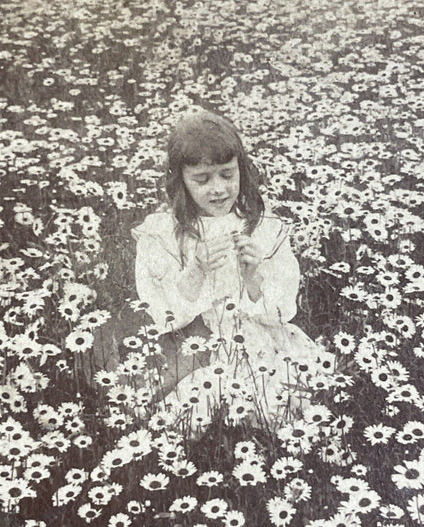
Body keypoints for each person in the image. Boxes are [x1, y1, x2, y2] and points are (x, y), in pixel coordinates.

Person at [132, 108, 330, 430]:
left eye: (227, 174)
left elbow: (283, 308)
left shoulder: (264, 230)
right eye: (202, 179)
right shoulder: (164, 236)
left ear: (242, 170)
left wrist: (253, 277)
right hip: (192, 342)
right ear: (180, 180)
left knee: (282, 404)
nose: (218, 189)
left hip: (257, 336)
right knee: (182, 417)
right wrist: (195, 270)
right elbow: (160, 311)